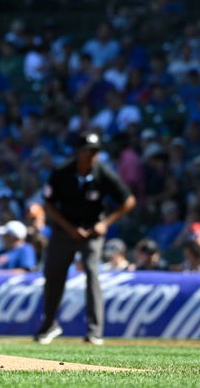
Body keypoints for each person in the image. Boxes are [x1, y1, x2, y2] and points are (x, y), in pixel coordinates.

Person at [34, 132, 136, 346]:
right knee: (54, 275)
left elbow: (128, 201)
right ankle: (49, 325)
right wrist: (69, 228)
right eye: (88, 151)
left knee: (92, 273)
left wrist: (105, 223)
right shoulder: (62, 172)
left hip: (91, 232)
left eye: (95, 152)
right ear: (78, 152)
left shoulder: (103, 173)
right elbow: (49, 204)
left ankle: (94, 331)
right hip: (64, 231)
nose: (91, 156)